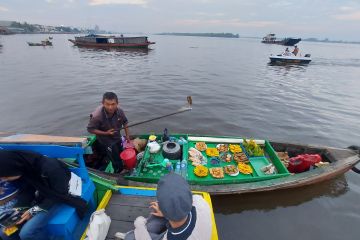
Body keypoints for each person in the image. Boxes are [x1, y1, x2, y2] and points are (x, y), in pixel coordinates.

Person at [0, 150, 87, 240]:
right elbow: (26, 191)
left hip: (60, 198)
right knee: (5, 233)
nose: (4, 180)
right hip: (44, 196)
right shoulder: (24, 168)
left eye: (5, 176)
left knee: (27, 233)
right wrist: (18, 208)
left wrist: (33, 211)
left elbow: (60, 193)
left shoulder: (51, 167)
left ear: (12, 168)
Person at [115, 173, 212, 240]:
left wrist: (139, 224)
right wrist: (165, 213)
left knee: (137, 234)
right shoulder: (200, 201)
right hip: (196, 229)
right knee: (155, 217)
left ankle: (129, 236)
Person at [87, 92, 131, 173]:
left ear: (117, 103)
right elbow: (90, 129)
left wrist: (127, 136)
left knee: (120, 151)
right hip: (106, 141)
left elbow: (125, 122)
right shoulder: (97, 116)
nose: (110, 107)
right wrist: (106, 133)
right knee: (115, 158)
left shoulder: (120, 111)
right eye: (107, 104)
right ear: (103, 103)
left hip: (117, 137)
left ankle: (121, 164)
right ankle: (119, 171)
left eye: (113, 104)